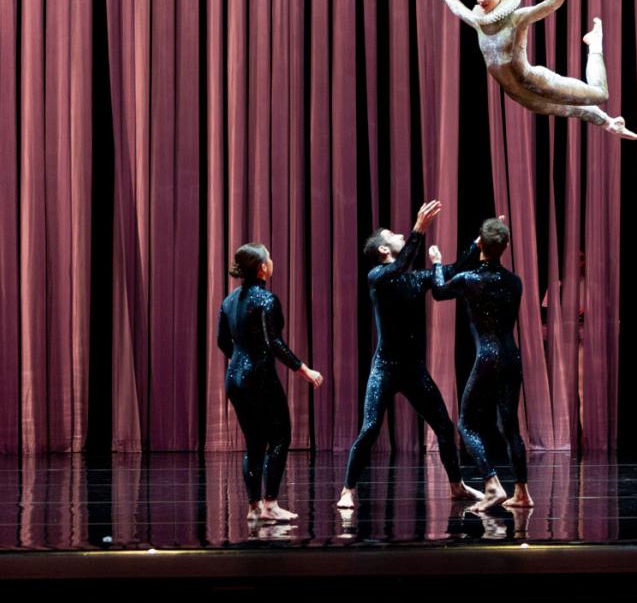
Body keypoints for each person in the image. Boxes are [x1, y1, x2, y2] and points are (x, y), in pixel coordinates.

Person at [337, 200, 483, 509]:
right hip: (385, 368)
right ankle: (348, 489)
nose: (401, 234)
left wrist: (477, 244)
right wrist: (418, 229)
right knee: (370, 428)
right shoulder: (377, 277)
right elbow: (400, 265)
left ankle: (457, 486)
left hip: (413, 369)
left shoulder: (414, 278)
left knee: (444, 426)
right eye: (393, 234)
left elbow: (452, 272)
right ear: (383, 250)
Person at [423, 0, 637, 140]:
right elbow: (460, 10)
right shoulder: (479, 22)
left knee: (599, 94)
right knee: (574, 110)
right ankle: (611, 124)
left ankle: (595, 44)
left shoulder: (517, 18)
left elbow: (548, 6)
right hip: (518, 94)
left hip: (536, 81)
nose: (480, 0)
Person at [429, 218, 533, 511]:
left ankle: (492, 484)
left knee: (466, 424)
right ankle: (522, 492)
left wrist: (437, 262)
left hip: (488, 357)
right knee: (510, 427)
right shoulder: (515, 282)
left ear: (480, 244)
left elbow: (438, 291)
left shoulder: (469, 279)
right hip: (511, 357)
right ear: (507, 247)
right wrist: (488, 240)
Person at [217, 243, 324, 521]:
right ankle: (270, 504)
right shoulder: (266, 299)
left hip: (235, 379)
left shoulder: (229, 301)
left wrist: (239, 360)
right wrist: (305, 369)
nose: (272, 261)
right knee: (279, 436)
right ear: (262, 267)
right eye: (269, 258)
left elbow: (221, 341)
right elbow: (273, 342)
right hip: (260, 378)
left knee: (254, 441)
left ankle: (254, 507)